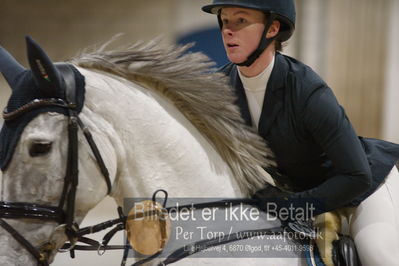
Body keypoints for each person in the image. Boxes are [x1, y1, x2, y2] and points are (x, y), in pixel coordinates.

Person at [201, 1, 399, 265]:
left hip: (357, 187)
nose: (227, 31)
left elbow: (356, 175)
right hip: (292, 193)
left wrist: (289, 205)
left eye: (241, 21)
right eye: (225, 21)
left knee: (377, 254)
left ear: (272, 28)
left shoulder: (307, 90)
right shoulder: (217, 89)